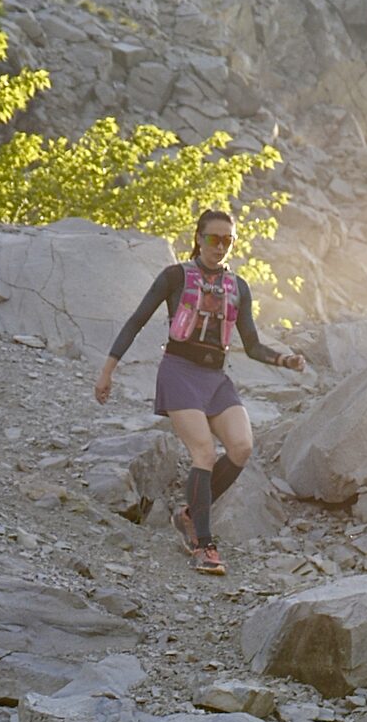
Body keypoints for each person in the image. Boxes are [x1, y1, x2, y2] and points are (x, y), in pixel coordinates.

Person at [95, 208, 305, 574]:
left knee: (241, 448)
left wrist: (284, 360)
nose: (219, 246)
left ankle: (190, 515)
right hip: (179, 372)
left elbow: (252, 345)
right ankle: (203, 546)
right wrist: (107, 371)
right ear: (198, 237)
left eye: (227, 240)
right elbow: (136, 321)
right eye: (213, 238)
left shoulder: (237, 287)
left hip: (215, 378)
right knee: (203, 452)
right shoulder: (175, 276)